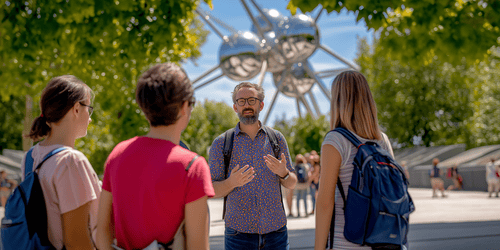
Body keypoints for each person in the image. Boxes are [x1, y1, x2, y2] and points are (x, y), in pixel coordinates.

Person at [96, 63, 214, 250]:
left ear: (144, 107)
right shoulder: (193, 167)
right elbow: (198, 246)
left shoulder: (118, 154)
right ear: (184, 106)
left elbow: (102, 233)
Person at [209, 82, 297, 250]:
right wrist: (231, 183)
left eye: (251, 100)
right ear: (235, 107)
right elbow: (211, 190)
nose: (246, 105)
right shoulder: (221, 143)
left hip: (276, 232)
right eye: (241, 101)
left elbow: (292, 183)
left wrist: (283, 172)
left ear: (261, 104)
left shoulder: (276, 139)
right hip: (238, 234)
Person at [314, 71, 395, 249]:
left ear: (337, 101)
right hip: (382, 240)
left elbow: (325, 203)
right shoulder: (382, 140)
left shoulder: (336, 140)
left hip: (345, 242)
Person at [21, 75, 101, 250]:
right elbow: (76, 242)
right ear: (77, 109)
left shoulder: (30, 157)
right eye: (90, 109)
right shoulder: (71, 161)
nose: (90, 118)